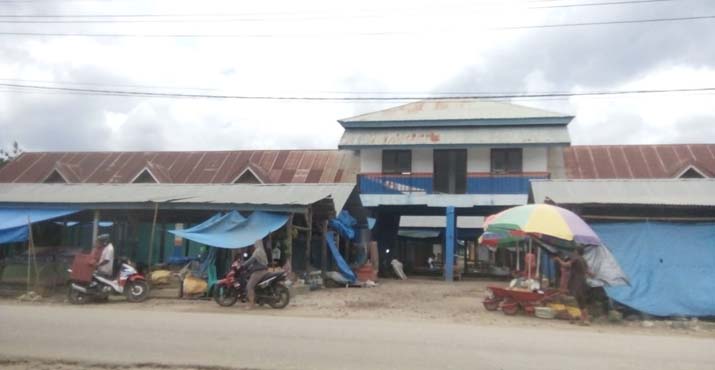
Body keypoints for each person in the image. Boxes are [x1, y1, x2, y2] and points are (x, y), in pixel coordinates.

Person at [555, 248, 592, 325]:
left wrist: (558, 260)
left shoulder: (576, 259)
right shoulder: (583, 260)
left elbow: (565, 265)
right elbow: (588, 271)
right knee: (581, 300)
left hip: (577, 282)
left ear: (576, 252)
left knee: (575, 299)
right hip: (583, 281)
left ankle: (581, 318)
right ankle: (583, 319)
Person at [242, 239, 269, 309]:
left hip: (259, 272)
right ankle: (260, 301)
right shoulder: (262, 251)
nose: (253, 245)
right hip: (264, 271)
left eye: (254, 244)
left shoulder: (257, 252)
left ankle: (251, 305)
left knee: (249, 286)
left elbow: (250, 261)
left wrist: (243, 265)